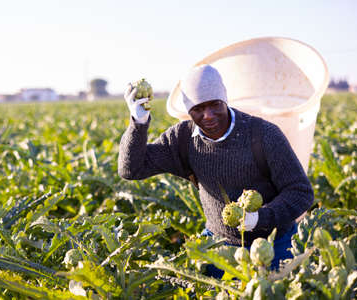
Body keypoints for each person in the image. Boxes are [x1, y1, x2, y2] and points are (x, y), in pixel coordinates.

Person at [118, 64, 313, 277]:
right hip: (220, 246)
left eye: (215, 105)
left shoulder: (263, 134)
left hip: (276, 244)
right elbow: (131, 169)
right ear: (188, 111)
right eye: (198, 109)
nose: (208, 115)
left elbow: (300, 192)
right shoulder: (182, 139)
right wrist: (138, 123)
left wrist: (260, 217)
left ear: (225, 100)